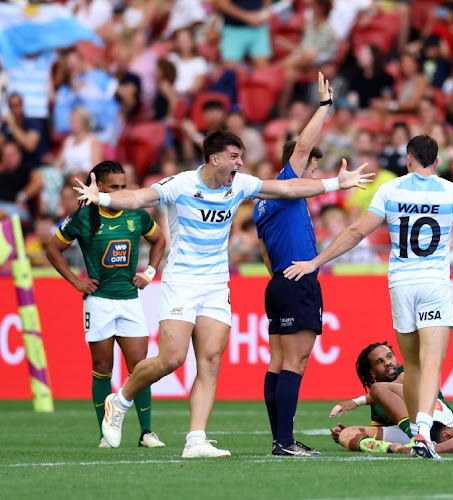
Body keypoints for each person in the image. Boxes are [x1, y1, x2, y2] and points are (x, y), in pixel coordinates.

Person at [76, 126, 373, 458]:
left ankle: (196, 440)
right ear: (214, 158)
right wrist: (100, 198)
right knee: (171, 359)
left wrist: (337, 183)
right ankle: (119, 401)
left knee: (211, 361)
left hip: (216, 283)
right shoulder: (182, 184)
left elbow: (288, 188)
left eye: (242, 157)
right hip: (182, 281)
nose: (240, 163)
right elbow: (138, 197)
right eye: (234, 157)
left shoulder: (241, 185)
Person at [283, 134, 453, 460]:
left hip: (401, 285)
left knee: (410, 364)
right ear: (437, 162)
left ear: (408, 159)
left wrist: (314, 262)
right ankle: (423, 435)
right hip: (434, 285)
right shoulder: (452, 191)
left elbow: (356, 232)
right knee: (431, 365)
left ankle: (416, 432)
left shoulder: (391, 189)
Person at [46, 161, 167, 448]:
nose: (121, 192)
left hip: (130, 300)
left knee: (140, 367)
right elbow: (53, 249)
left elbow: (159, 240)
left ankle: (147, 432)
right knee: (102, 367)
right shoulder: (84, 216)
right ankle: (105, 434)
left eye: (124, 186)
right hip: (98, 302)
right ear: (99, 187)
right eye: (115, 187)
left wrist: (149, 272)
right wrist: (77, 281)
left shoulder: (135, 213)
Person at [253, 74, 342, 457]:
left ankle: (280, 440)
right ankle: (286, 443)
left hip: (277, 281)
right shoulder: (287, 186)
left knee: (277, 361)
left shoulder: (262, 202)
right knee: (296, 360)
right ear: (297, 165)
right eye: (312, 168)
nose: (316, 176)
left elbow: (262, 249)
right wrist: (324, 107)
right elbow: (304, 144)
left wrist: (281, 271)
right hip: (297, 280)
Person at [328, 341, 453, 452]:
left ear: (397, 359)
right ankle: (390, 448)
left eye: (389, 356)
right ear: (372, 372)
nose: (388, 362)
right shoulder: (376, 401)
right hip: (408, 432)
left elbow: (387, 389)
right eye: (380, 362)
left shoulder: (409, 370)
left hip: (438, 420)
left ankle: (418, 438)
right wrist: (361, 436)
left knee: (378, 389)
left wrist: (356, 402)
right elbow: (379, 430)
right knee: (346, 434)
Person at [214, 0, 272, 68]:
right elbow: (222, 4)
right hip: (233, 29)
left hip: (258, 28)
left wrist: (265, 12)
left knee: (263, 67)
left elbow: (267, 3)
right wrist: (247, 17)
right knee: (231, 67)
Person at [2, 93, 48, 169]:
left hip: (34, 166)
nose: (15, 109)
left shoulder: (32, 122)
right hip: (12, 168)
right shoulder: (6, 125)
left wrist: (13, 125)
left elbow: (30, 145)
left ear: (22, 105)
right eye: (12, 106)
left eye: (17, 105)